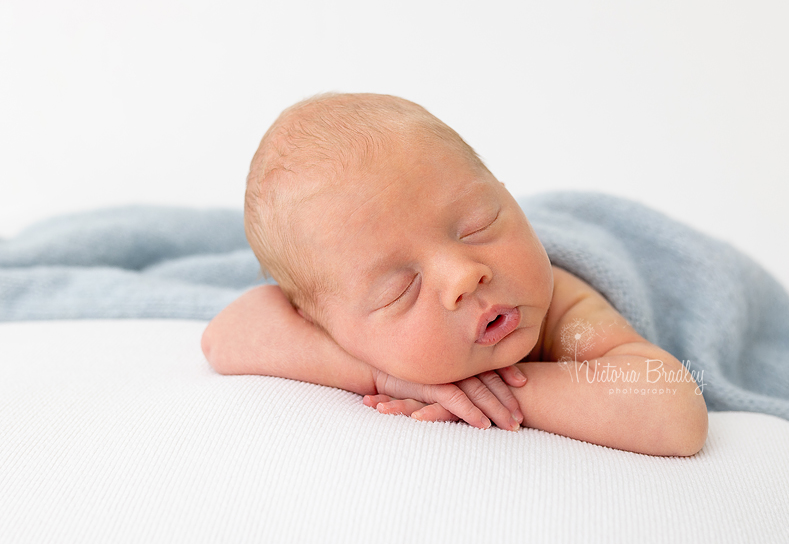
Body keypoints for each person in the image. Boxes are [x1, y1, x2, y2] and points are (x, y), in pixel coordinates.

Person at [201, 92, 708, 456]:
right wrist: (383, 375)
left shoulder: (560, 307)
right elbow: (224, 335)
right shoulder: (338, 326)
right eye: (402, 289)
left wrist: (494, 388)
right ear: (321, 323)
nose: (466, 274)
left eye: (477, 225)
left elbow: (673, 413)